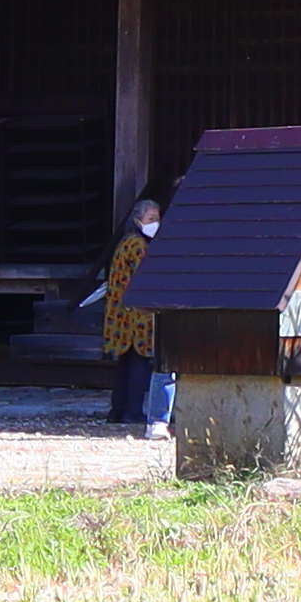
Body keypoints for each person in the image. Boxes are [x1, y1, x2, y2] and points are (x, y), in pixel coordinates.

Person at [96, 184, 169, 431]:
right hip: (135, 314)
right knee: (139, 360)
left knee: (126, 362)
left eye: (157, 219)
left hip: (120, 311)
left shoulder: (125, 242)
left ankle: (118, 410)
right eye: (150, 218)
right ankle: (133, 411)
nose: (155, 223)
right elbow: (145, 276)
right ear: (138, 220)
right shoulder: (138, 246)